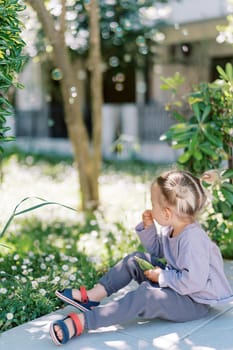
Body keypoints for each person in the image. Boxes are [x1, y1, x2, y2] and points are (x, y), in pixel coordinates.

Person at [50, 169, 233, 346]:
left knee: (145, 296)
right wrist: (149, 229)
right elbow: (158, 251)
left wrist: (162, 277)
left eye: (153, 204)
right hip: (177, 285)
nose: (151, 208)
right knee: (135, 259)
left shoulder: (193, 240)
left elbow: (195, 283)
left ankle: (85, 321)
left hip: (193, 302)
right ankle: (92, 296)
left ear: (167, 213)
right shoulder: (174, 227)